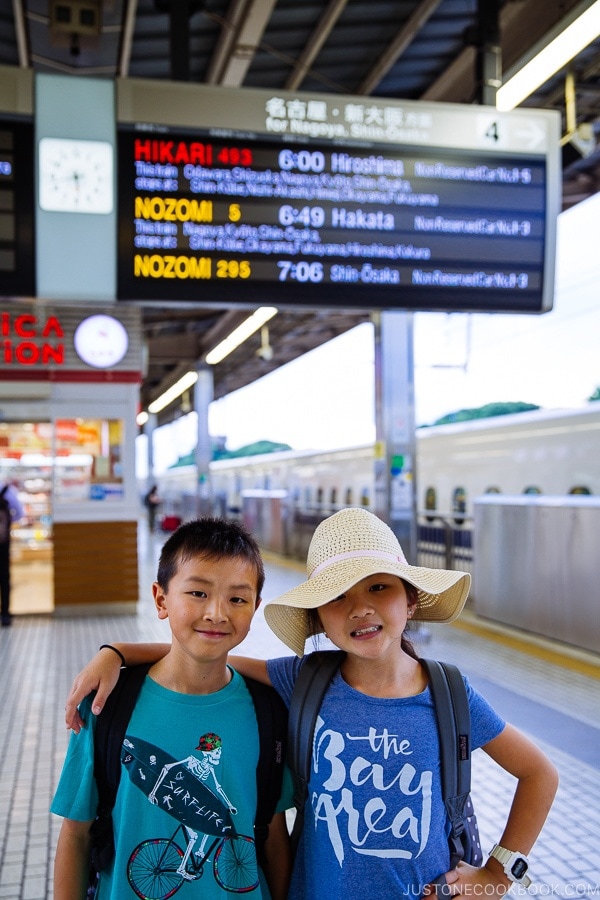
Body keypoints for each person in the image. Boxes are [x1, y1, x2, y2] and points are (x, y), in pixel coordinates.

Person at [65, 507, 559, 899]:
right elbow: (211, 651)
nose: (361, 607)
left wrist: (499, 873)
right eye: (339, 595)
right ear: (320, 618)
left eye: (380, 587)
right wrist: (117, 653)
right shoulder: (303, 680)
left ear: (410, 602)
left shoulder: (450, 694)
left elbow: (539, 774)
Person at [53, 518, 292, 900]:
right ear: (161, 599)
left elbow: (273, 833)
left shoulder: (268, 711)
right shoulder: (106, 703)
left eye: (237, 599)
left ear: (255, 608)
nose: (217, 612)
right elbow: (75, 833)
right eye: (198, 593)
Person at [0, 479, 25, 626]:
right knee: (4, 578)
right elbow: (19, 514)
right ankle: (5, 614)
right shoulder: (8, 491)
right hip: (3, 543)